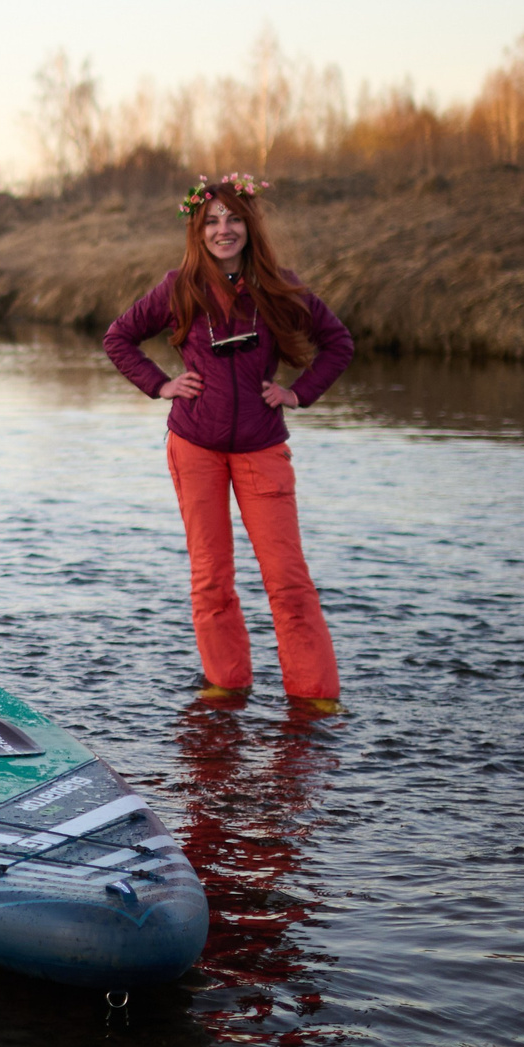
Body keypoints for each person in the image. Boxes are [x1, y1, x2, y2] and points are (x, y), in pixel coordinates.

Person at [102, 172, 354, 712]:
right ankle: (228, 686)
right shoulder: (180, 286)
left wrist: (297, 393)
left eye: (233, 218)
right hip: (195, 445)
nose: (223, 229)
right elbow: (118, 337)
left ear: (249, 224)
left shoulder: (278, 286)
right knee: (212, 578)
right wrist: (161, 384)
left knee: (287, 579)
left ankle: (315, 700)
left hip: (262, 447)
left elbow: (337, 342)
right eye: (212, 220)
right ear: (198, 229)